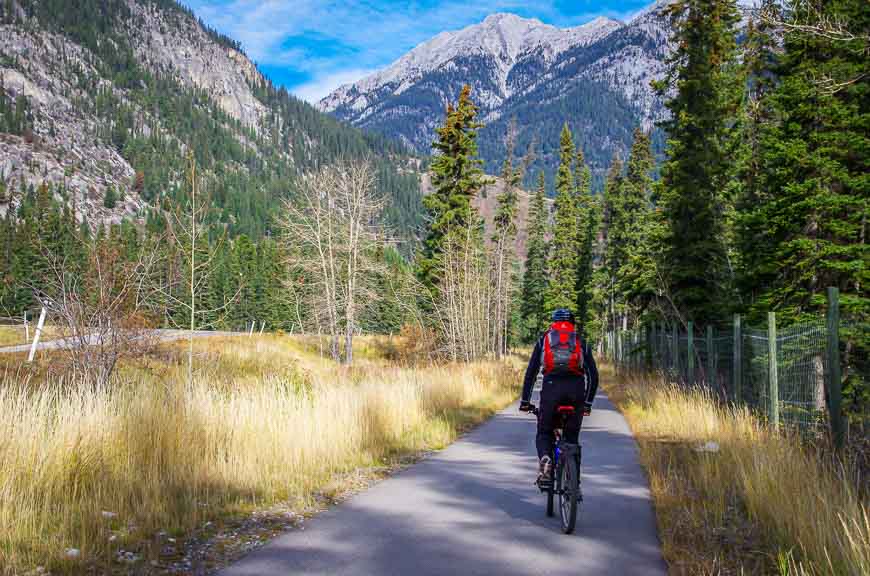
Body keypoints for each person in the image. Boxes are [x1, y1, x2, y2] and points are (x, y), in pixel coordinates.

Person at [519, 308, 598, 480]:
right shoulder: (580, 342)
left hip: (551, 390)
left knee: (544, 432)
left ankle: (546, 458)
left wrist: (525, 401)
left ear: (553, 323)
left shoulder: (544, 341)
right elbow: (593, 376)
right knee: (572, 439)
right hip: (576, 391)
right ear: (573, 323)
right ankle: (574, 484)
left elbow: (531, 373)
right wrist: (588, 404)